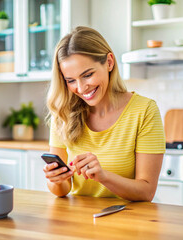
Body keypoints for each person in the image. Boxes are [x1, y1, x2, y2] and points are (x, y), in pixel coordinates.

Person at [44, 26, 165, 201]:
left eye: (87, 75)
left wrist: (103, 176)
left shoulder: (144, 111)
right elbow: (62, 190)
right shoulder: (63, 113)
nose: (81, 87)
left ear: (109, 62)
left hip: (127, 220)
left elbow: (146, 192)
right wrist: (56, 180)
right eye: (71, 80)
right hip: (78, 221)